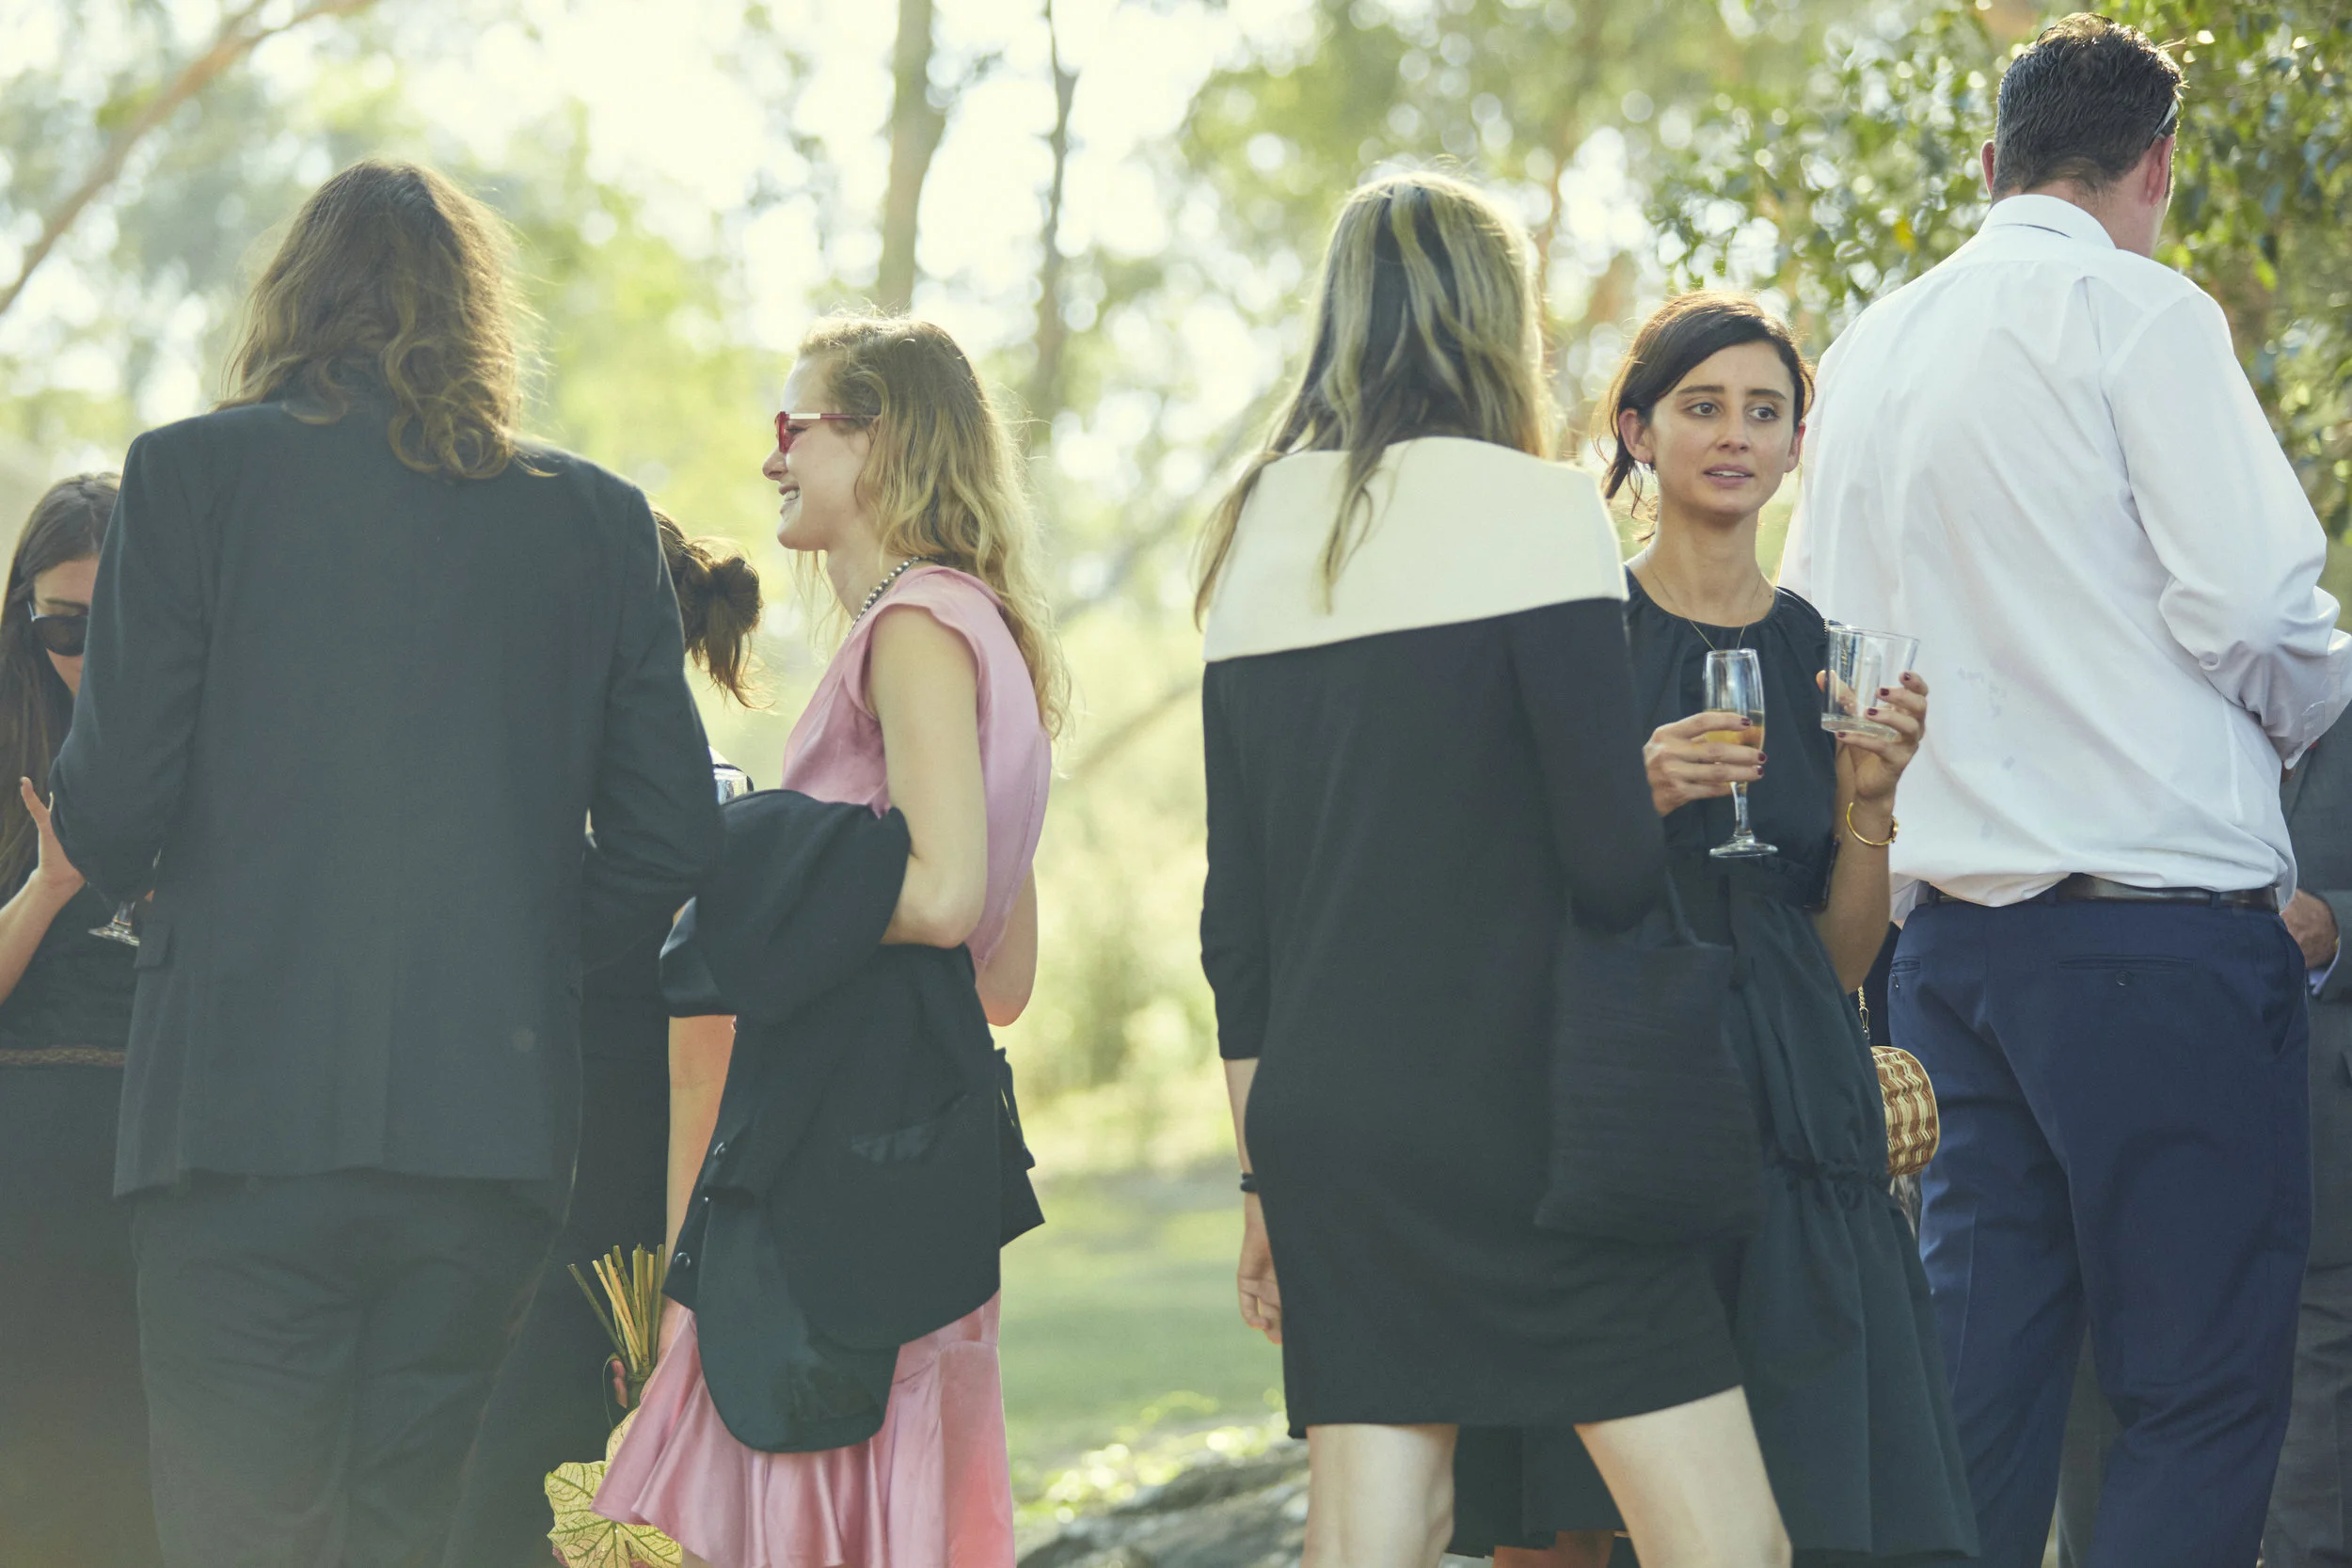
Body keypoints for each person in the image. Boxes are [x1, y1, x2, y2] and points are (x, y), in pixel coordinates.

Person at [46, 159, 723, 1568]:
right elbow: (670, 831)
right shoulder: (595, 517)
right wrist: (517, 952)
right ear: (482, 314)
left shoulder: (187, 476)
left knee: (241, 1536)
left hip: (230, 1126)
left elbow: (104, 816)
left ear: (290, 298)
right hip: (484, 1138)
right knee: (405, 1531)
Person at [1779, 16, 2352, 1566]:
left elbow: (1823, 634)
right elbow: (2256, 611)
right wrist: (2306, 718)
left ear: (1991, 163)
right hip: (2158, 937)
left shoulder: (1870, 348)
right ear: (2156, 167)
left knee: (1976, 1397)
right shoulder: (2141, 312)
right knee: (2199, 1391)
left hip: (1951, 955)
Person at [1194, 171, 1789, 1568]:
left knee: (1379, 1535)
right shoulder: (1537, 509)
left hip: (1335, 1127)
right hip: (1535, 1116)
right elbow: (1610, 868)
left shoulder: (1255, 534)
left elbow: (1239, 922)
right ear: (1495, 318)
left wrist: (1262, 1177)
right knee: (1731, 1546)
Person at [1448, 294, 1974, 1568]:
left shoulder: (1821, 657)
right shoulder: (1573, 639)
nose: (1735, 434)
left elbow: (1836, 957)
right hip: (1615, 1109)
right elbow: (1490, 903)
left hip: (1792, 1115)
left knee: (1801, 1498)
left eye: (1763, 410)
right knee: (1576, 1514)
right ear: (1637, 432)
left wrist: (1870, 804)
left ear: (1795, 443)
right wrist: (1625, 795)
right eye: (1702, 406)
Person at [594, 311, 1059, 1568]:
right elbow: (1003, 975)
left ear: (881, 438)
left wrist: (755, 884)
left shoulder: (914, 627)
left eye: (794, 426)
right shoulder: (989, 632)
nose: (773, 458)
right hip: (923, 1167)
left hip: (839, 1173)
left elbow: (946, 896)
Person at [445, 512, 763, 1568]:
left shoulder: (697, 812)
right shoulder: (549, 793)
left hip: (611, 1236)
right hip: (543, 1212)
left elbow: (708, 1059)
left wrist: (680, 1288)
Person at [2056, 710, 2352, 1568]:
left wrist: (2336, 925)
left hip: (2322, 1155)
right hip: (2127, 1135)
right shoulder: (2132, 704)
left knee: (2311, 1495)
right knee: (2104, 1445)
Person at [0, 472, 157, 1568]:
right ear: (24, 618)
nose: (92, 655)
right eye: (64, 626)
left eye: (120, 623)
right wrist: (49, 886)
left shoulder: (219, 735)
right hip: (32, 1157)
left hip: (174, 1159)